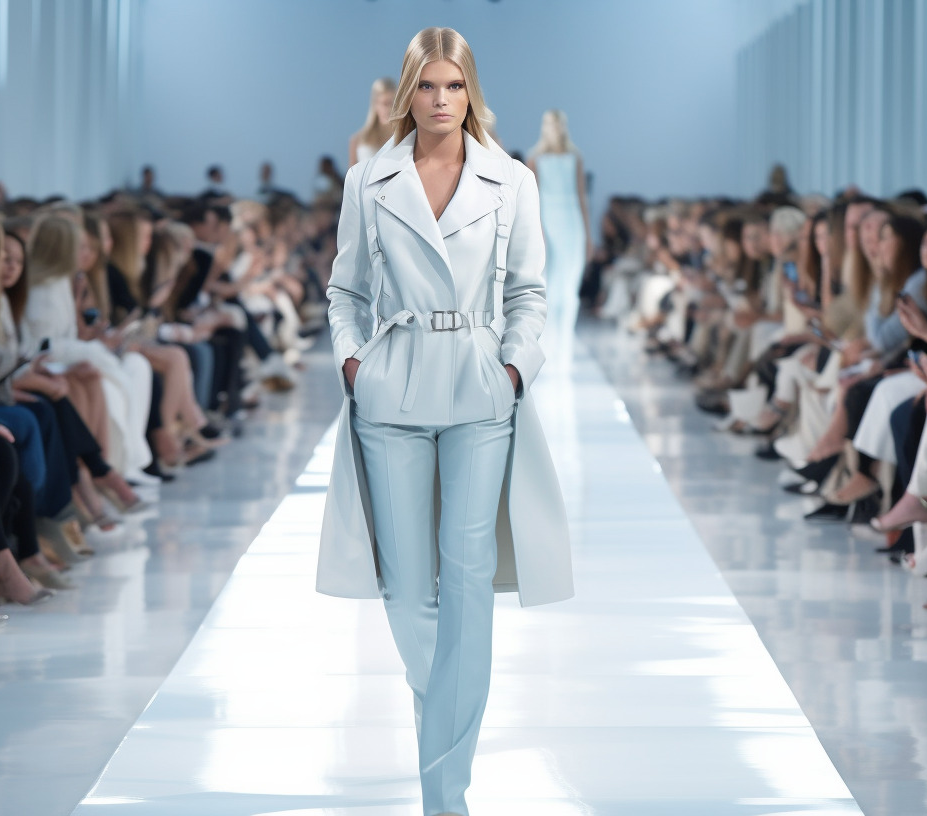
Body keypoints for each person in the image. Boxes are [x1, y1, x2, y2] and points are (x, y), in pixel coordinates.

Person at [319, 27, 573, 816]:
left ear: (471, 91)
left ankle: (445, 798)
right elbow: (345, 289)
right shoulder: (369, 179)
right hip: (391, 387)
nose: (440, 101)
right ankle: (449, 755)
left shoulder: (512, 180)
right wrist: (353, 363)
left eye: (453, 86)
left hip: (478, 388)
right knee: (407, 592)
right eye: (427, 86)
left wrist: (514, 368)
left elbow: (529, 290)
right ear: (408, 93)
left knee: (467, 582)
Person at [528, 109, 591, 369]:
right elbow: (532, 199)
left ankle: (565, 344)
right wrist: (536, 231)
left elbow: (581, 197)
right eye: (551, 125)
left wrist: (588, 235)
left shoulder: (575, 157)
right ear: (545, 127)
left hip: (572, 224)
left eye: (559, 124)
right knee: (548, 286)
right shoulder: (535, 158)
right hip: (547, 223)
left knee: (570, 286)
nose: (555, 129)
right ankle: (549, 344)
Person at [349, 77, 397, 167]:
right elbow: (351, 174)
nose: (389, 109)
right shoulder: (357, 140)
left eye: (392, 104)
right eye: (385, 103)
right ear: (375, 104)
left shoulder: (405, 137)